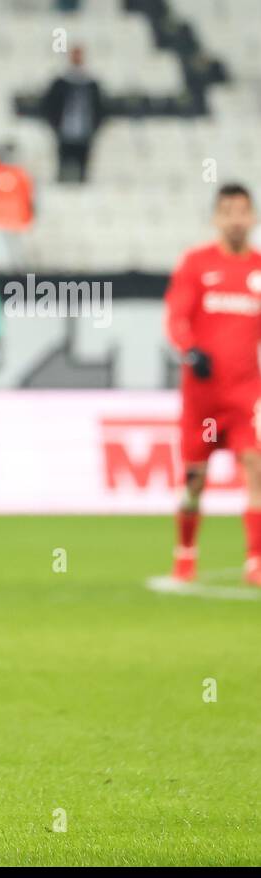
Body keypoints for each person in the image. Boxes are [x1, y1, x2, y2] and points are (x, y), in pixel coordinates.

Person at [164, 183, 261, 587]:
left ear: (253, 216)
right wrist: (189, 350)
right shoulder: (197, 264)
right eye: (227, 211)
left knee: (255, 467)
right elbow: (176, 318)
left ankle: (255, 560)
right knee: (194, 480)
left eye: (242, 211)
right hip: (202, 397)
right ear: (215, 218)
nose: (235, 219)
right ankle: (186, 552)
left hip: (245, 394)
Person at [42, 45, 103, 183]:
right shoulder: (60, 82)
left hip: (84, 132)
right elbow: (49, 106)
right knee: (63, 167)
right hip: (65, 131)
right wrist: (56, 125)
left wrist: (94, 127)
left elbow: (100, 109)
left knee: (84, 169)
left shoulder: (91, 84)